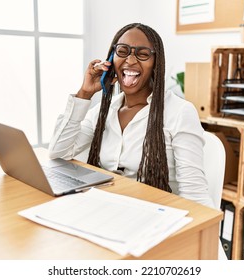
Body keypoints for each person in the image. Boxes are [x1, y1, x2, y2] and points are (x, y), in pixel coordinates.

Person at [48, 23, 214, 209]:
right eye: (123, 51)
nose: (131, 60)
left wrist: (205, 235)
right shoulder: (105, 110)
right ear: (111, 59)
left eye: (142, 54)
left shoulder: (179, 112)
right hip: (106, 209)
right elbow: (58, 152)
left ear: (156, 63)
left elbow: (195, 194)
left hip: (154, 214)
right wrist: (85, 94)